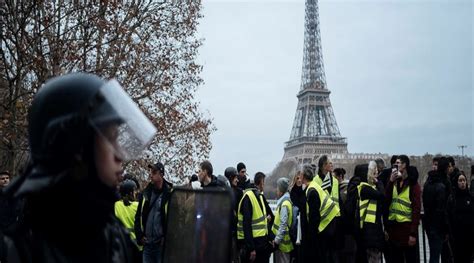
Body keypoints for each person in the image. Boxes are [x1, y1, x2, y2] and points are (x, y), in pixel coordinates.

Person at [3, 73, 155, 262]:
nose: (119, 156)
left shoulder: (114, 237)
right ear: (75, 147)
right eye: (110, 138)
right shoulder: (22, 250)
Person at [385, 155, 421, 263]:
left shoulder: (413, 185)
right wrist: (390, 181)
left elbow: (416, 209)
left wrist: (413, 233)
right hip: (394, 230)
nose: (395, 165)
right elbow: (386, 199)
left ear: (404, 165)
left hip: (407, 229)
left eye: (398, 163)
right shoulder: (394, 182)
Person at [301, 164, 339, 263]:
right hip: (330, 220)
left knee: (321, 255)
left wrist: (311, 235)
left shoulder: (311, 191)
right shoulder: (314, 186)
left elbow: (314, 216)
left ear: (303, 176)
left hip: (327, 223)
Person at [135, 162, 173, 263]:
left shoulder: (170, 194)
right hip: (147, 246)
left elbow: (175, 220)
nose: (150, 174)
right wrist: (140, 236)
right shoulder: (145, 193)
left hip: (160, 247)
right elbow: (138, 216)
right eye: (150, 172)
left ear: (161, 174)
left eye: (154, 172)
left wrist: (166, 238)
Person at [237, 175, 272, 263]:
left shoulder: (259, 196)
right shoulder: (249, 198)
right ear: (260, 183)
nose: (264, 185)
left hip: (261, 244)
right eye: (263, 183)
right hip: (254, 245)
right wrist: (251, 248)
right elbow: (247, 225)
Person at [423, 157, 449, 263]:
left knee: (434, 256)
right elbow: (442, 210)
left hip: (429, 225)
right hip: (438, 227)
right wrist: (446, 228)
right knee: (438, 256)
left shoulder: (428, 183)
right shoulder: (442, 186)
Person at [357, 161, 385, 263]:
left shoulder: (369, 188)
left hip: (371, 230)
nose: (376, 175)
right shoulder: (366, 189)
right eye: (374, 173)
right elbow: (382, 196)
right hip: (370, 231)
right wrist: (379, 182)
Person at [447, 173, 474, 263]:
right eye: (460, 180)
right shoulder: (452, 199)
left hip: (469, 237)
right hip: (456, 237)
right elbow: (448, 217)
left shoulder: (471, 197)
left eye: (464, 180)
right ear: (456, 183)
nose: (462, 182)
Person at [225, 167, 244, 263]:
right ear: (229, 178)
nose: (237, 180)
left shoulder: (239, 192)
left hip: (234, 232)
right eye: (235, 177)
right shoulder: (234, 193)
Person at [272, 178, 294, 263]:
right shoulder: (285, 202)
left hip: (282, 243)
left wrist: (277, 240)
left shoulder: (284, 204)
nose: (276, 190)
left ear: (281, 190)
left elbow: (283, 224)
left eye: (278, 188)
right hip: (282, 242)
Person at [115, 179, 141, 249]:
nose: (136, 193)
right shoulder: (138, 206)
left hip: (122, 246)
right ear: (130, 193)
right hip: (137, 247)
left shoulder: (116, 205)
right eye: (134, 191)